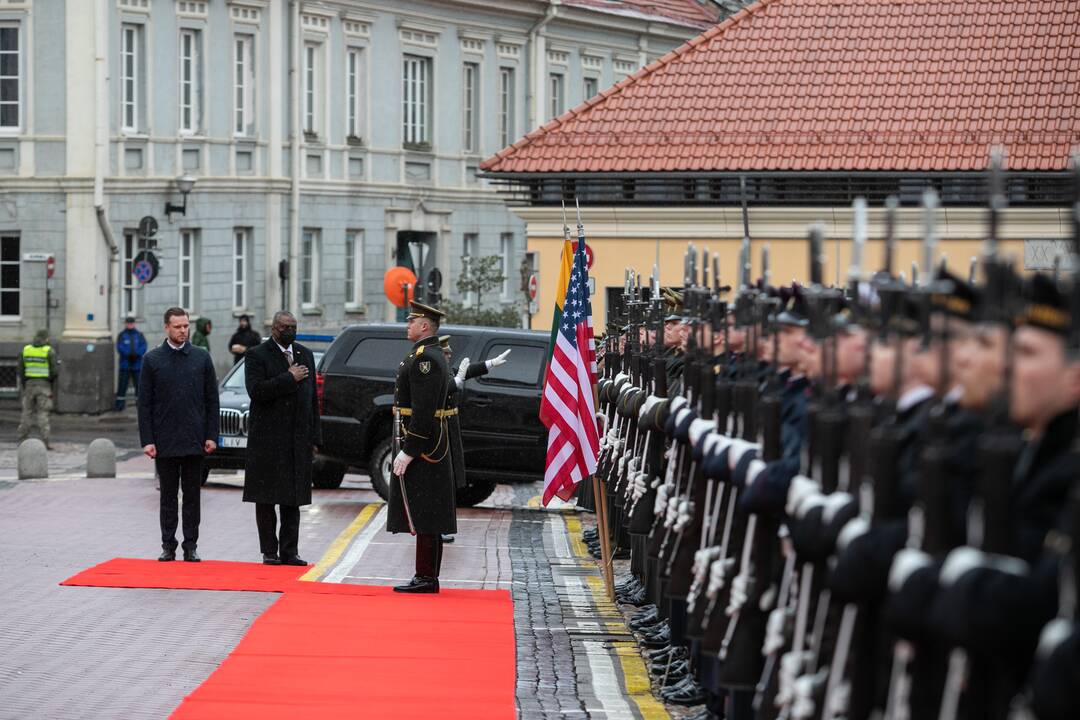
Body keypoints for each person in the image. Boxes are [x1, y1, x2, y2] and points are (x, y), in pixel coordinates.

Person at [138, 307, 219, 562]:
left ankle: (191, 545)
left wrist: (211, 435)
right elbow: (145, 404)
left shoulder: (201, 358)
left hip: (195, 440)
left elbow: (211, 400)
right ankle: (168, 545)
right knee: (168, 497)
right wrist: (148, 440)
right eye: (178, 327)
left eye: (186, 326)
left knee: (193, 497)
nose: (183, 331)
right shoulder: (152, 360)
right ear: (167, 328)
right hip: (165, 441)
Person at [389, 301, 458, 594]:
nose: (408, 325)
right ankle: (426, 575)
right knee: (427, 510)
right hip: (427, 442)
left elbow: (424, 409)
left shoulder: (425, 359)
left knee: (426, 511)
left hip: (426, 446)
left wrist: (410, 449)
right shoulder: (425, 354)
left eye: (412, 321)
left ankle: (426, 577)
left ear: (425, 326)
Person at [242, 311, 321, 566]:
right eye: (285, 327)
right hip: (267, 440)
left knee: (292, 499)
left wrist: (314, 437)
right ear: (274, 328)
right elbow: (257, 391)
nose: (290, 331)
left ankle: (290, 551)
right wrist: (289, 378)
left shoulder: (304, 354)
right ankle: (269, 551)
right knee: (266, 498)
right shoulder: (257, 355)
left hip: (297, 439)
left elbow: (312, 401)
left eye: (293, 327)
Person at [438, 336, 511, 544]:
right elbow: (444, 388)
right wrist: (456, 382)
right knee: (443, 481)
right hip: (440, 431)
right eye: (445, 353)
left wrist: (489, 364)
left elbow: (464, 372)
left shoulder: (445, 371)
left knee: (449, 480)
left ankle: (441, 526)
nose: (449, 355)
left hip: (449, 429)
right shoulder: (435, 374)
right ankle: (437, 527)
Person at [17, 329, 58, 448]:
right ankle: (45, 441)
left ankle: (22, 439)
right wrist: (49, 381)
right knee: (43, 413)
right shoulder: (49, 351)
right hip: (44, 386)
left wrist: (26, 383)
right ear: (46, 339)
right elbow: (54, 371)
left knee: (27, 412)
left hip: (29, 385)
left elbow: (20, 370)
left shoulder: (26, 350)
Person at [115, 316, 147, 410]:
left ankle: (140, 405)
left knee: (139, 385)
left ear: (134, 324)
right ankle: (120, 405)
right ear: (125, 324)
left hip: (137, 365)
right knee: (122, 385)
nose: (130, 324)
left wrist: (137, 354)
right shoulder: (121, 335)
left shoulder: (139, 335)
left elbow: (144, 346)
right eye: (128, 323)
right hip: (125, 365)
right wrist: (129, 354)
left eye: (131, 323)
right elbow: (119, 347)